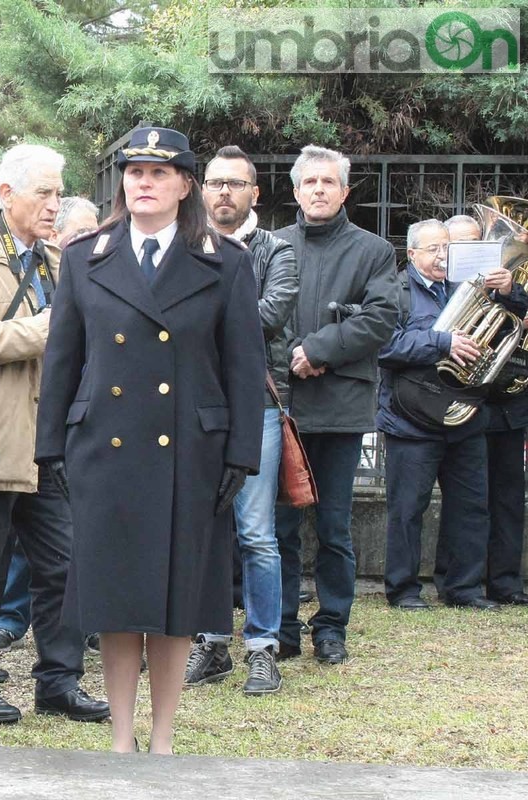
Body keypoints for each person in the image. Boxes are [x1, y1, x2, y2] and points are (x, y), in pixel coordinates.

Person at [36, 126, 264, 754]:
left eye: (159, 173)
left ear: (185, 185)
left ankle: (162, 740)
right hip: (103, 449)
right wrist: (48, 444)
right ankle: (121, 737)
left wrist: (242, 452)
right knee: (115, 598)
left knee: (175, 599)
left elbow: (244, 366)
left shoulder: (225, 261)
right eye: (134, 172)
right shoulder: (86, 256)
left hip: (190, 451)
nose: (143, 182)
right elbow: (64, 358)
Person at [0, 145, 108, 726]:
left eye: (58, 192)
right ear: (6, 195)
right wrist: (45, 330)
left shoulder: (59, 261)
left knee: (66, 566)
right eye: (43, 192)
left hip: (49, 445)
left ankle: (59, 681)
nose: (54, 204)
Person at [273, 145, 398, 664]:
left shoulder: (374, 251)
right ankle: (280, 628)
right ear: (297, 191)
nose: (319, 190)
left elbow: (381, 318)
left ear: (345, 191)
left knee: (334, 527)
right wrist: (291, 359)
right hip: (280, 406)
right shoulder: (271, 244)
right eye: (310, 183)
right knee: (277, 528)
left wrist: (318, 350)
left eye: (329, 182)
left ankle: (331, 627)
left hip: (341, 410)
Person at [185, 145, 297, 695]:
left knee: (255, 533)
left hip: (257, 407)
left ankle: (262, 647)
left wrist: (196, 325)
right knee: (207, 530)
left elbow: (268, 318)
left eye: (235, 183)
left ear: (255, 192)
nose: (223, 191)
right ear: (200, 189)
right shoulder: (183, 245)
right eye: (214, 182)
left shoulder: (278, 250)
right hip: (197, 408)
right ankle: (210, 644)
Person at [377, 219, 518, 611]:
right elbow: (384, 344)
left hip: (466, 411)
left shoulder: (469, 289)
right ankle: (403, 589)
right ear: (411, 254)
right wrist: (443, 342)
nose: (442, 256)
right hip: (411, 418)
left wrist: (509, 290)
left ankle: (463, 588)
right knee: (408, 508)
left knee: (471, 505)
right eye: (432, 249)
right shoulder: (395, 291)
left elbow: (511, 323)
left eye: (446, 249)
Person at [447, 214, 528, 606]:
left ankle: (506, 583)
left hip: (508, 401)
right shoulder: (439, 283)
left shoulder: (511, 284)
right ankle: (462, 580)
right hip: (461, 403)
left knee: (509, 496)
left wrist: (511, 291)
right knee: (467, 499)